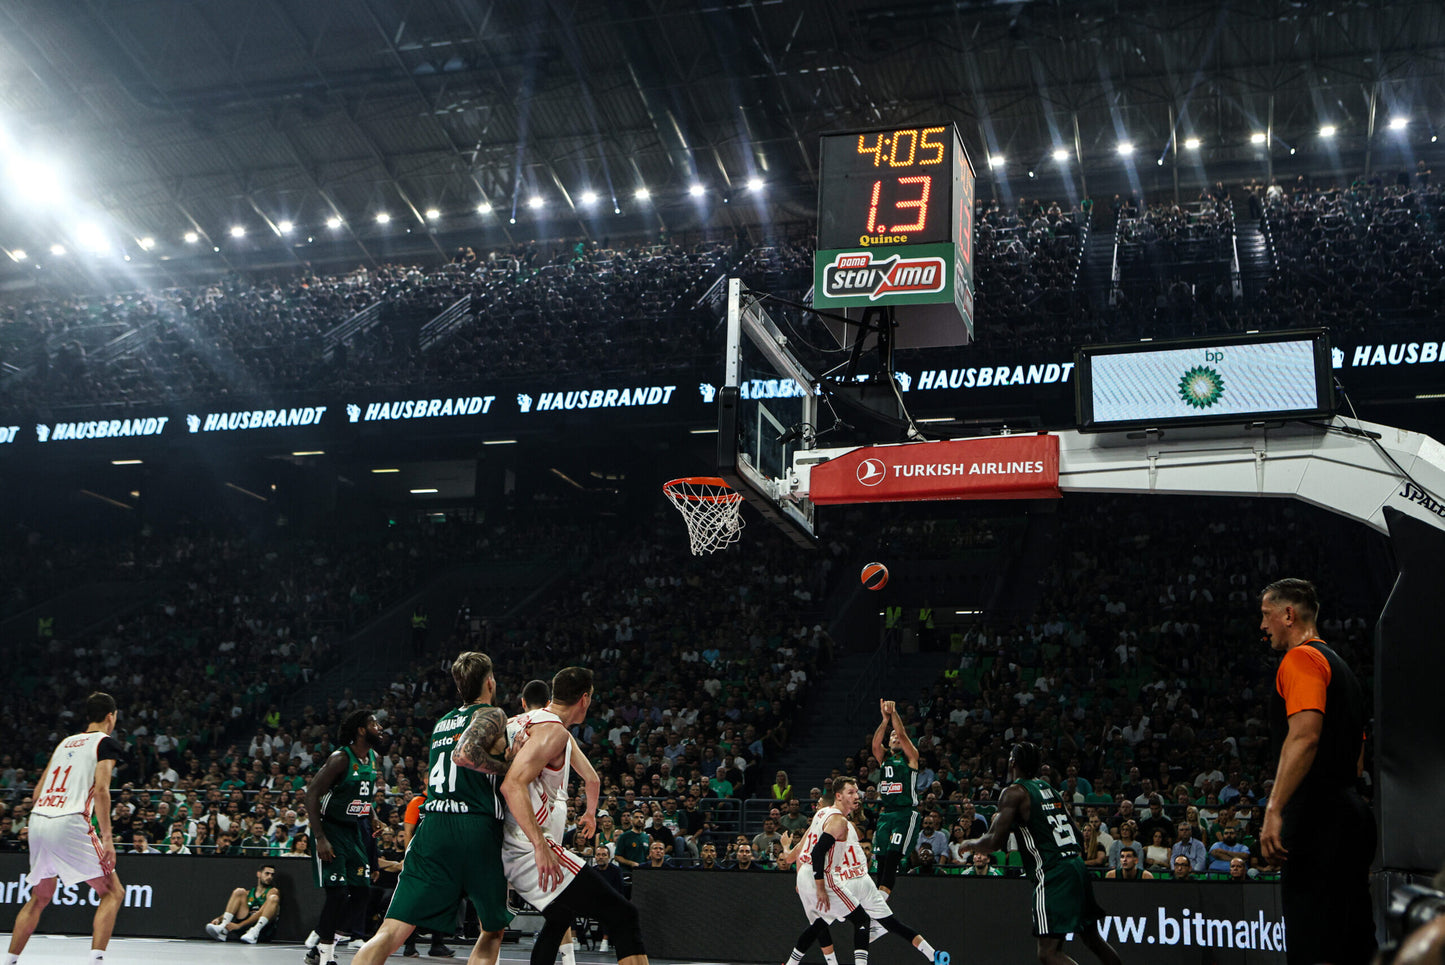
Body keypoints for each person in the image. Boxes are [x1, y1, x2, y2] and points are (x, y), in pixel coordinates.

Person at [350, 652, 514, 965]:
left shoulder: (441, 723)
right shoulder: (493, 714)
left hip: (434, 826)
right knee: (491, 929)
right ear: (490, 683)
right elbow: (466, 754)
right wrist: (506, 765)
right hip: (476, 826)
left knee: (391, 930)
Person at [498, 667, 651, 965]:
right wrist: (541, 845)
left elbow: (591, 780)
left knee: (560, 914)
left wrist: (591, 814)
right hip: (529, 847)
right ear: (585, 699)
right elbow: (511, 784)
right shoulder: (553, 731)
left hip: (503, 839)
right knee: (623, 914)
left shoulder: (518, 722)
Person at [1259, 579, 1376, 964]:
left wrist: (1275, 808)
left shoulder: (1300, 659)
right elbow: (1357, 761)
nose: (1263, 626)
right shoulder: (1343, 670)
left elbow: (1305, 736)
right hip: (1353, 813)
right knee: (1354, 942)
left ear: (1288, 615)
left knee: (1314, 947)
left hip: (1316, 818)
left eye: (1266, 615)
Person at [960, 743, 1122, 965]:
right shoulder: (1048, 788)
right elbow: (1075, 831)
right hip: (1075, 865)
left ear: (1013, 762)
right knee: (1093, 939)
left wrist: (970, 843)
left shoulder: (1013, 792)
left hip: (1052, 872)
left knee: (1048, 953)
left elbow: (995, 843)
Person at [6, 692, 127, 965]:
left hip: (38, 819)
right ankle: (96, 961)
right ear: (111, 716)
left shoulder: (65, 743)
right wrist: (107, 839)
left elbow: (37, 793)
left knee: (40, 896)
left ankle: (9, 960)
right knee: (112, 892)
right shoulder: (105, 743)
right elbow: (102, 791)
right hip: (71, 819)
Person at [793, 776, 944, 965]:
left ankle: (795, 962)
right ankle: (933, 954)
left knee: (820, 924)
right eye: (852, 793)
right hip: (863, 879)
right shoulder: (847, 825)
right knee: (890, 923)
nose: (856, 796)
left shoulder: (829, 820)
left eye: (856, 792)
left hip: (844, 880)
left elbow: (806, 851)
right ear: (838, 797)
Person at [302, 708, 385, 965]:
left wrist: (372, 816)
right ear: (361, 730)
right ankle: (326, 957)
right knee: (337, 895)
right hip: (330, 829)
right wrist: (320, 837)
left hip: (354, 830)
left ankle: (322, 946)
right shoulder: (340, 758)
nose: (380, 728)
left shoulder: (374, 758)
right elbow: (311, 794)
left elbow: (362, 794)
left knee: (362, 893)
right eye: (374, 724)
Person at [870, 699, 921, 897]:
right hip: (886, 814)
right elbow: (875, 745)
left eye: (898, 736)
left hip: (905, 813)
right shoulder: (884, 758)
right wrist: (884, 721)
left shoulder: (911, 757)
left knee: (893, 856)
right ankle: (878, 898)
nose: (895, 738)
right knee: (881, 858)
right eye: (891, 736)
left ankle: (881, 901)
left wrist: (893, 714)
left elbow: (901, 733)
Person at [206, 864, 281, 943]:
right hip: (244, 928)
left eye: (272, 875)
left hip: (261, 929)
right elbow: (234, 909)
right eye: (267, 873)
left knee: (274, 898)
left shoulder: (272, 891)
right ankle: (223, 929)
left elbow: (261, 913)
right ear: (259, 874)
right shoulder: (249, 893)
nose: (270, 877)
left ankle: (255, 932)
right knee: (239, 891)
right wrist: (219, 919)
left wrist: (239, 925)